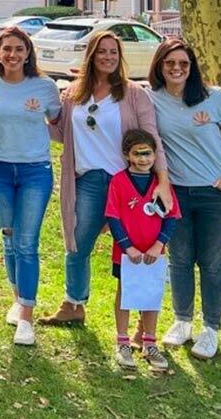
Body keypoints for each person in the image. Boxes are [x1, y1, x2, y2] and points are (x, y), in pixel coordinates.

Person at [41, 30, 169, 328]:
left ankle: (142, 323)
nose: (108, 57)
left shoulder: (134, 93)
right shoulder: (73, 94)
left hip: (128, 184)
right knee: (77, 245)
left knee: (138, 250)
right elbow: (62, 134)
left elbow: (153, 139)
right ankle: (74, 303)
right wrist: (32, 118)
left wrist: (162, 180)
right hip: (88, 182)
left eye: (113, 52)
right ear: (91, 56)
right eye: (102, 51)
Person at [147, 38, 221, 360]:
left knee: (212, 263)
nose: (177, 69)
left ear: (192, 68)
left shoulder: (212, 98)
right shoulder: (152, 99)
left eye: (183, 64)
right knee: (180, 259)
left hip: (215, 196)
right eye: (170, 63)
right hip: (175, 195)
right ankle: (182, 321)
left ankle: (211, 329)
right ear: (160, 66)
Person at [0, 25, 61, 346]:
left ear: (28, 54)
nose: (12, 55)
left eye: (19, 49)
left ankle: (26, 315)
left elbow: (58, 122)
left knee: (27, 242)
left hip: (34, 171)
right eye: (6, 49)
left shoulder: (44, 86)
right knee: (9, 238)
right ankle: (17, 297)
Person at [104, 129, 180, 372]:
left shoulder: (162, 185)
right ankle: (123, 342)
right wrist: (128, 246)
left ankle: (149, 342)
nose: (144, 159)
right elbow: (113, 217)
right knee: (125, 291)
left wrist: (159, 245)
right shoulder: (118, 181)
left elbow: (172, 216)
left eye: (148, 154)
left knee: (151, 294)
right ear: (127, 155)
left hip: (153, 255)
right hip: (128, 255)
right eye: (138, 154)